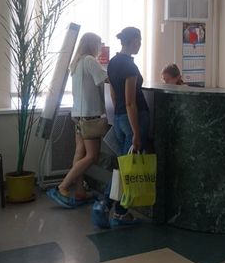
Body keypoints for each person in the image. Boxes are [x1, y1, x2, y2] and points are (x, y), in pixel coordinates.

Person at [47, 32, 108, 209]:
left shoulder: (77, 62)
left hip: (78, 115)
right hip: (90, 115)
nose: (100, 48)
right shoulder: (90, 60)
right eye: (99, 44)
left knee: (80, 153)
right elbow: (106, 80)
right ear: (93, 45)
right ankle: (63, 187)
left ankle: (80, 191)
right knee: (92, 156)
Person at [106, 26, 149, 225]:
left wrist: (119, 116)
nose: (140, 45)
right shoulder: (129, 67)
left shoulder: (113, 62)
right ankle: (114, 209)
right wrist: (136, 133)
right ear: (134, 41)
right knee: (127, 168)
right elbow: (131, 102)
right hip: (134, 118)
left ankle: (111, 207)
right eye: (139, 41)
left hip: (119, 117)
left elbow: (114, 95)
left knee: (123, 165)